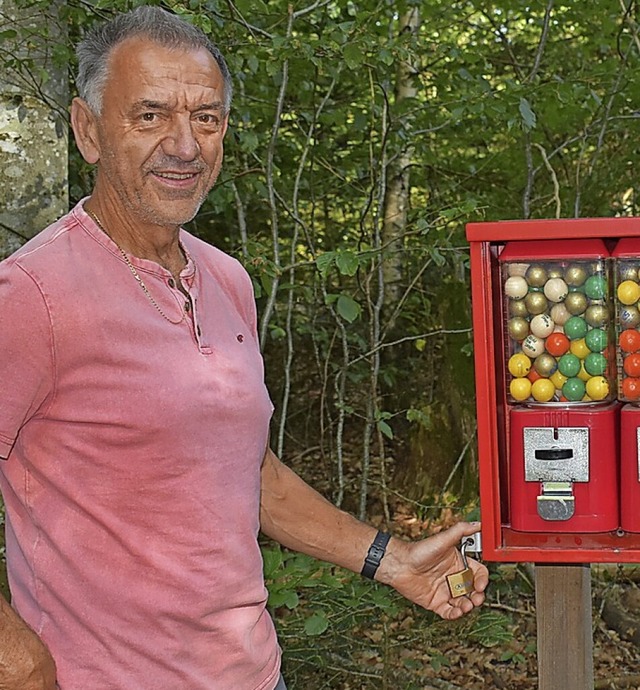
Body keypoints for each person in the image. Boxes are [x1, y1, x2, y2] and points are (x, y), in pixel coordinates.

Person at [0, 6, 488, 690]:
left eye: (206, 117)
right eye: (150, 116)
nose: (185, 145)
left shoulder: (227, 280)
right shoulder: (32, 295)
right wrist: (17, 659)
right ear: (87, 130)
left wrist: (393, 559)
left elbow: (245, 474)